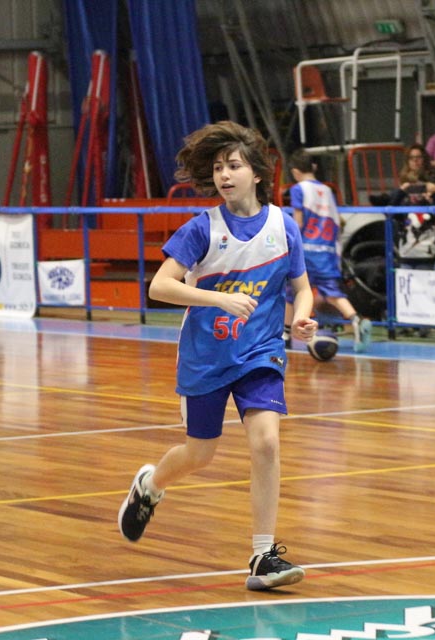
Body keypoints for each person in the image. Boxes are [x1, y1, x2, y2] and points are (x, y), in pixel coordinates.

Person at [118, 121, 315, 591]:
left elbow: (302, 288)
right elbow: (159, 286)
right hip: (206, 355)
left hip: (261, 351)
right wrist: (219, 299)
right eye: (219, 168)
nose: (225, 175)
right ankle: (150, 485)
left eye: (234, 166)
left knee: (266, 443)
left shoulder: (283, 226)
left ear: (257, 173)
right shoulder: (202, 229)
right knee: (199, 453)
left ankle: (262, 556)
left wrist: (303, 319)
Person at [283, 148, 372, 355]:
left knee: (291, 290)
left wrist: (290, 244)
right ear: (314, 167)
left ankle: (285, 335)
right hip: (328, 249)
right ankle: (356, 319)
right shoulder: (327, 190)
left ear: (295, 172)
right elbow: (338, 221)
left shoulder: (298, 189)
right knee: (332, 291)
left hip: (306, 249)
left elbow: (299, 222)